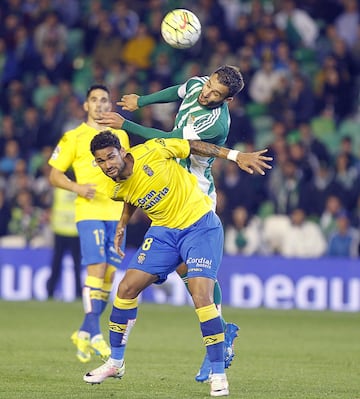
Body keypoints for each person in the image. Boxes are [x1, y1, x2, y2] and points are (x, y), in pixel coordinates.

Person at [83, 131, 272, 397]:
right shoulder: (110, 185)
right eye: (100, 161)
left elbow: (193, 146)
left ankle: (218, 374)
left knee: (201, 296)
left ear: (123, 152)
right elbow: (130, 194)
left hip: (199, 226)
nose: (107, 165)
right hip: (163, 233)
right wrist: (122, 224)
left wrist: (235, 155)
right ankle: (115, 362)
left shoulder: (154, 150)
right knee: (125, 289)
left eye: (110, 157)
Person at [96, 64, 245, 382]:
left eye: (216, 95)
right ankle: (222, 331)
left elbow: (169, 140)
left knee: (196, 282)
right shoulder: (197, 86)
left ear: (227, 100)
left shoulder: (214, 121)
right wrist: (144, 100)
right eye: (209, 87)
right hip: (164, 190)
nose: (207, 94)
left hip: (193, 191)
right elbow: (179, 90)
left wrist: (127, 123)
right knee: (186, 278)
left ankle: (217, 345)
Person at [48, 84, 130, 363]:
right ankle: (96, 333)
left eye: (104, 100)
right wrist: (77, 188)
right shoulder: (74, 137)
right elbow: (54, 175)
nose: (99, 104)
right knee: (96, 269)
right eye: (94, 100)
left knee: (108, 277)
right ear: (86, 106)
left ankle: (84, 331)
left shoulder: (120, 136)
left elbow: (128, 171)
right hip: (90, 212)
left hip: (117, 214)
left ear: (110, 105)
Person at [46, 183, 82, 299]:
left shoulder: (58, 189)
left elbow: (49, 206)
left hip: (61, 230)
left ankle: (50, 291)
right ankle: (78, 293)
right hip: (74, 231)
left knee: (56, 264)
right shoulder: (80, 189)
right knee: (76, 266)